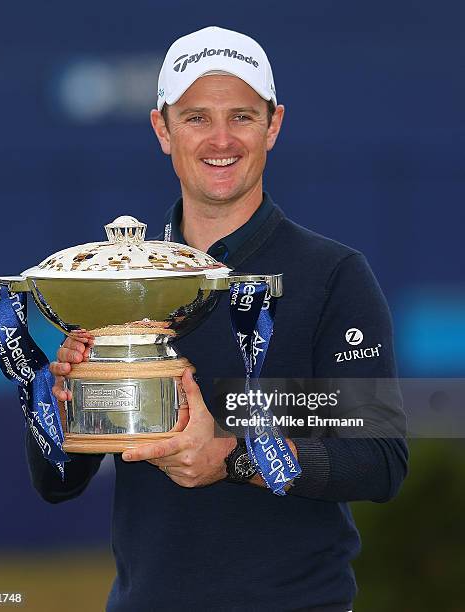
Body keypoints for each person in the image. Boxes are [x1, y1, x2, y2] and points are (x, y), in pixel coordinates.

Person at [27, 26, 408, 611]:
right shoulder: (118, 288)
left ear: (273, 125)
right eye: (197, 118)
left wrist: (233, 456)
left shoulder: (334, 276)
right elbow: (57, 483)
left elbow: (379, 460)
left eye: (242, 117)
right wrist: (60, 406)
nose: (221, 139)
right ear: (163, 129)